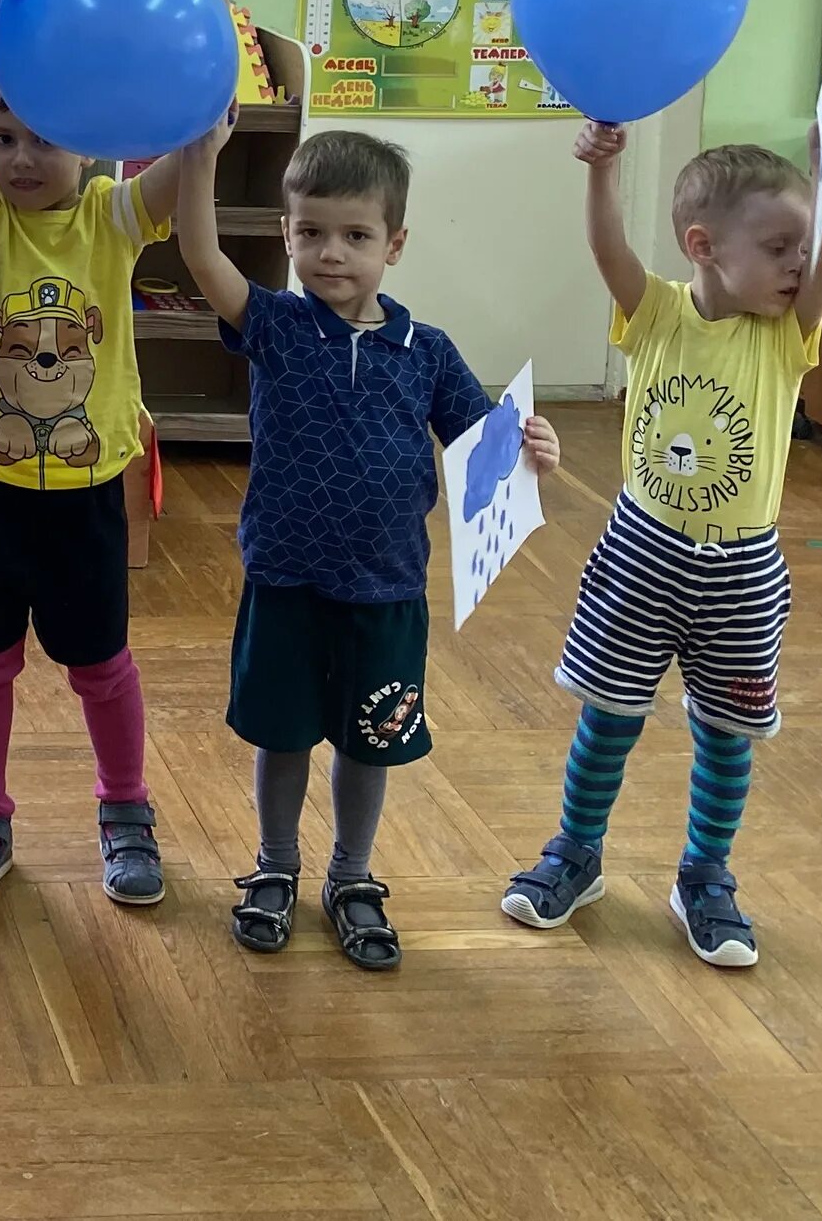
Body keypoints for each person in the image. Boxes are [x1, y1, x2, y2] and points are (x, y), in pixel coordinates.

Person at [174, 122, 560, 970]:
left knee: (366, 740)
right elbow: (202, 259)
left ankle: (352, 875)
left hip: (386, 592)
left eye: (356, 236)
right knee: (282, 735)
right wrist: (199, 156)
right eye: (310, 233)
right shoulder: (273, 324)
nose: (332, 254)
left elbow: (479, 448)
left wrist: (531, 445)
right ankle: (275, 864)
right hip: (284, 580)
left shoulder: (428, 353)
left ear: (396, 244)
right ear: (286, 235)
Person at [500, 117, 822, 970]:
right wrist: (602, 171)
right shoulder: (657, 314)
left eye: (801, 246)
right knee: (609, 716)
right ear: (703, 245)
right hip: (639, 558)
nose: (798, 264)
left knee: (727, 735)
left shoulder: (785, 337)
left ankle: (705, 876)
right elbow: (608, 247)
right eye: (779, 247)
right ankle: (575, 855)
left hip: (742, 574)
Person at [0, 91, 186, 915]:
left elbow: (181, 164)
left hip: (87, 497)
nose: (21, 158)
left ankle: (125, 805)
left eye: (47, 140)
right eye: (4, 138)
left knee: (100, 662)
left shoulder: (112, 214)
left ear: (92, 146)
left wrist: (202, 95)